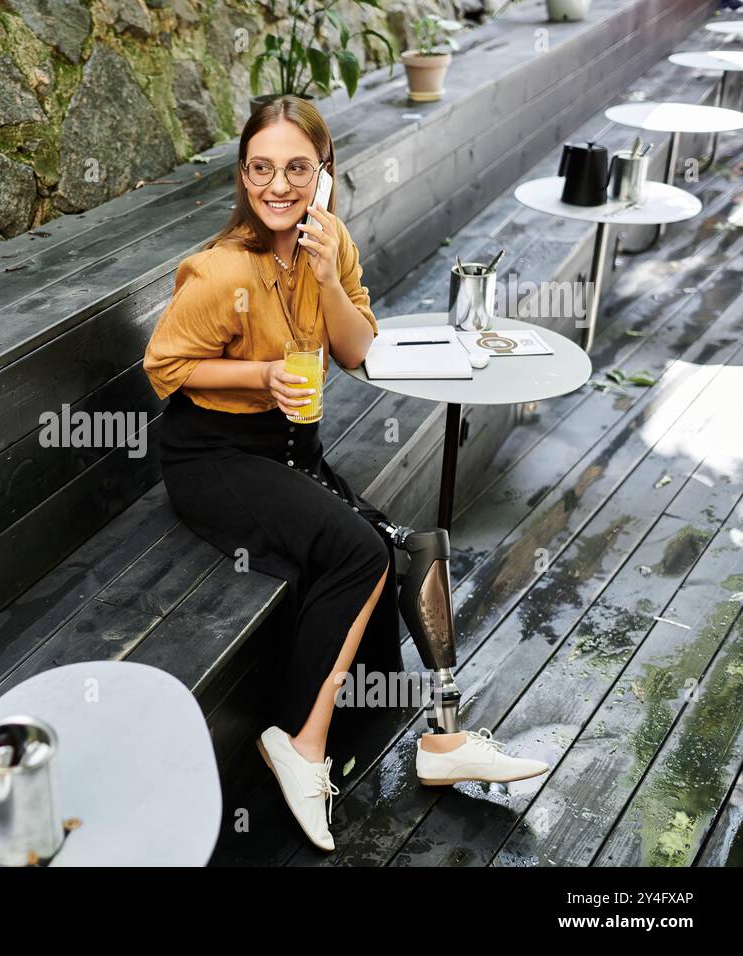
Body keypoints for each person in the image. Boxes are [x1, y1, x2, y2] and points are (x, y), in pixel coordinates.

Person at [141, 95, 546, 852]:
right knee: (358, 552)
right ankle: (300, 745)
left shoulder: (330, 243)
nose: (278, 185)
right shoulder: (219, 270)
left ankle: (444, 739)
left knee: (413, 544)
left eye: (298, 168)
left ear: (324, 174)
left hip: (290, 448)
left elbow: (359, 352)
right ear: (242, 175)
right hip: (214, 455)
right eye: (261, 168)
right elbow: (163, 367)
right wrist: (260, 375)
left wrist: (327, 276)